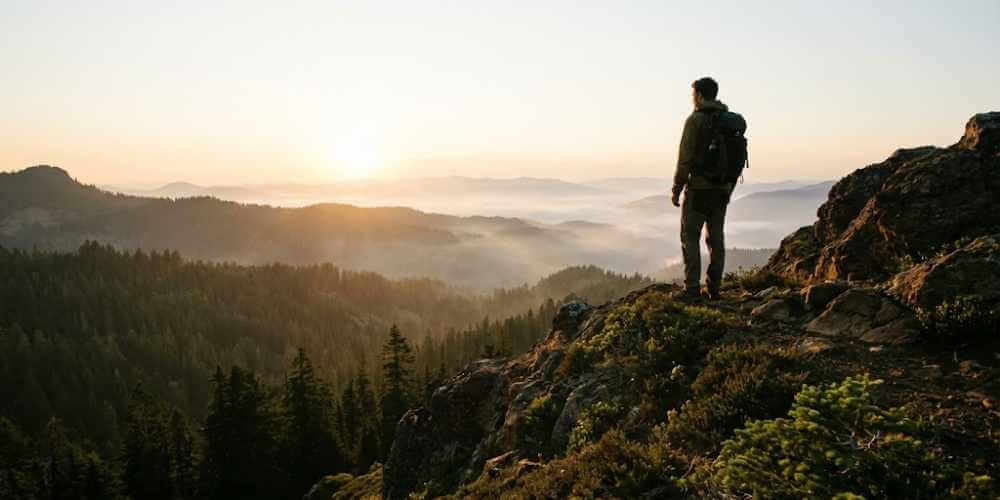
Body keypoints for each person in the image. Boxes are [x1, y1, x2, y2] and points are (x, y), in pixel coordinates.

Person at [670, 77, 735, 300]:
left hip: (698, 189)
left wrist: (676, 188)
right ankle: (714, 288)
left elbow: (684, 159)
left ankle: (692, 290)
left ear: (698, 95)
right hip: (722, 190)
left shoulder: (695, 121)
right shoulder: (728, 122)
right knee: (716, 238)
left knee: (690, 236)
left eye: (693, 95)